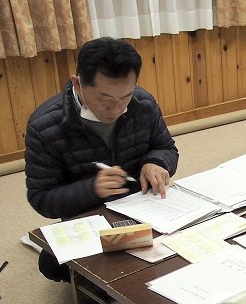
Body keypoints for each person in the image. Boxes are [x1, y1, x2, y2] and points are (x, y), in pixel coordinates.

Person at [25, 37, 179, 282]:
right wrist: (92, 188)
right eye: (104, 99)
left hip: (143, 207)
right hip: (90, 218)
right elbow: (41, 198)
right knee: (53, 264)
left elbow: (166, 147)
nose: (116, 108)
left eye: (125, 96)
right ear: (77, 84)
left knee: (189, 243)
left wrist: (157, 162)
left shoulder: (143, 104)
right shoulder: (45, 126)